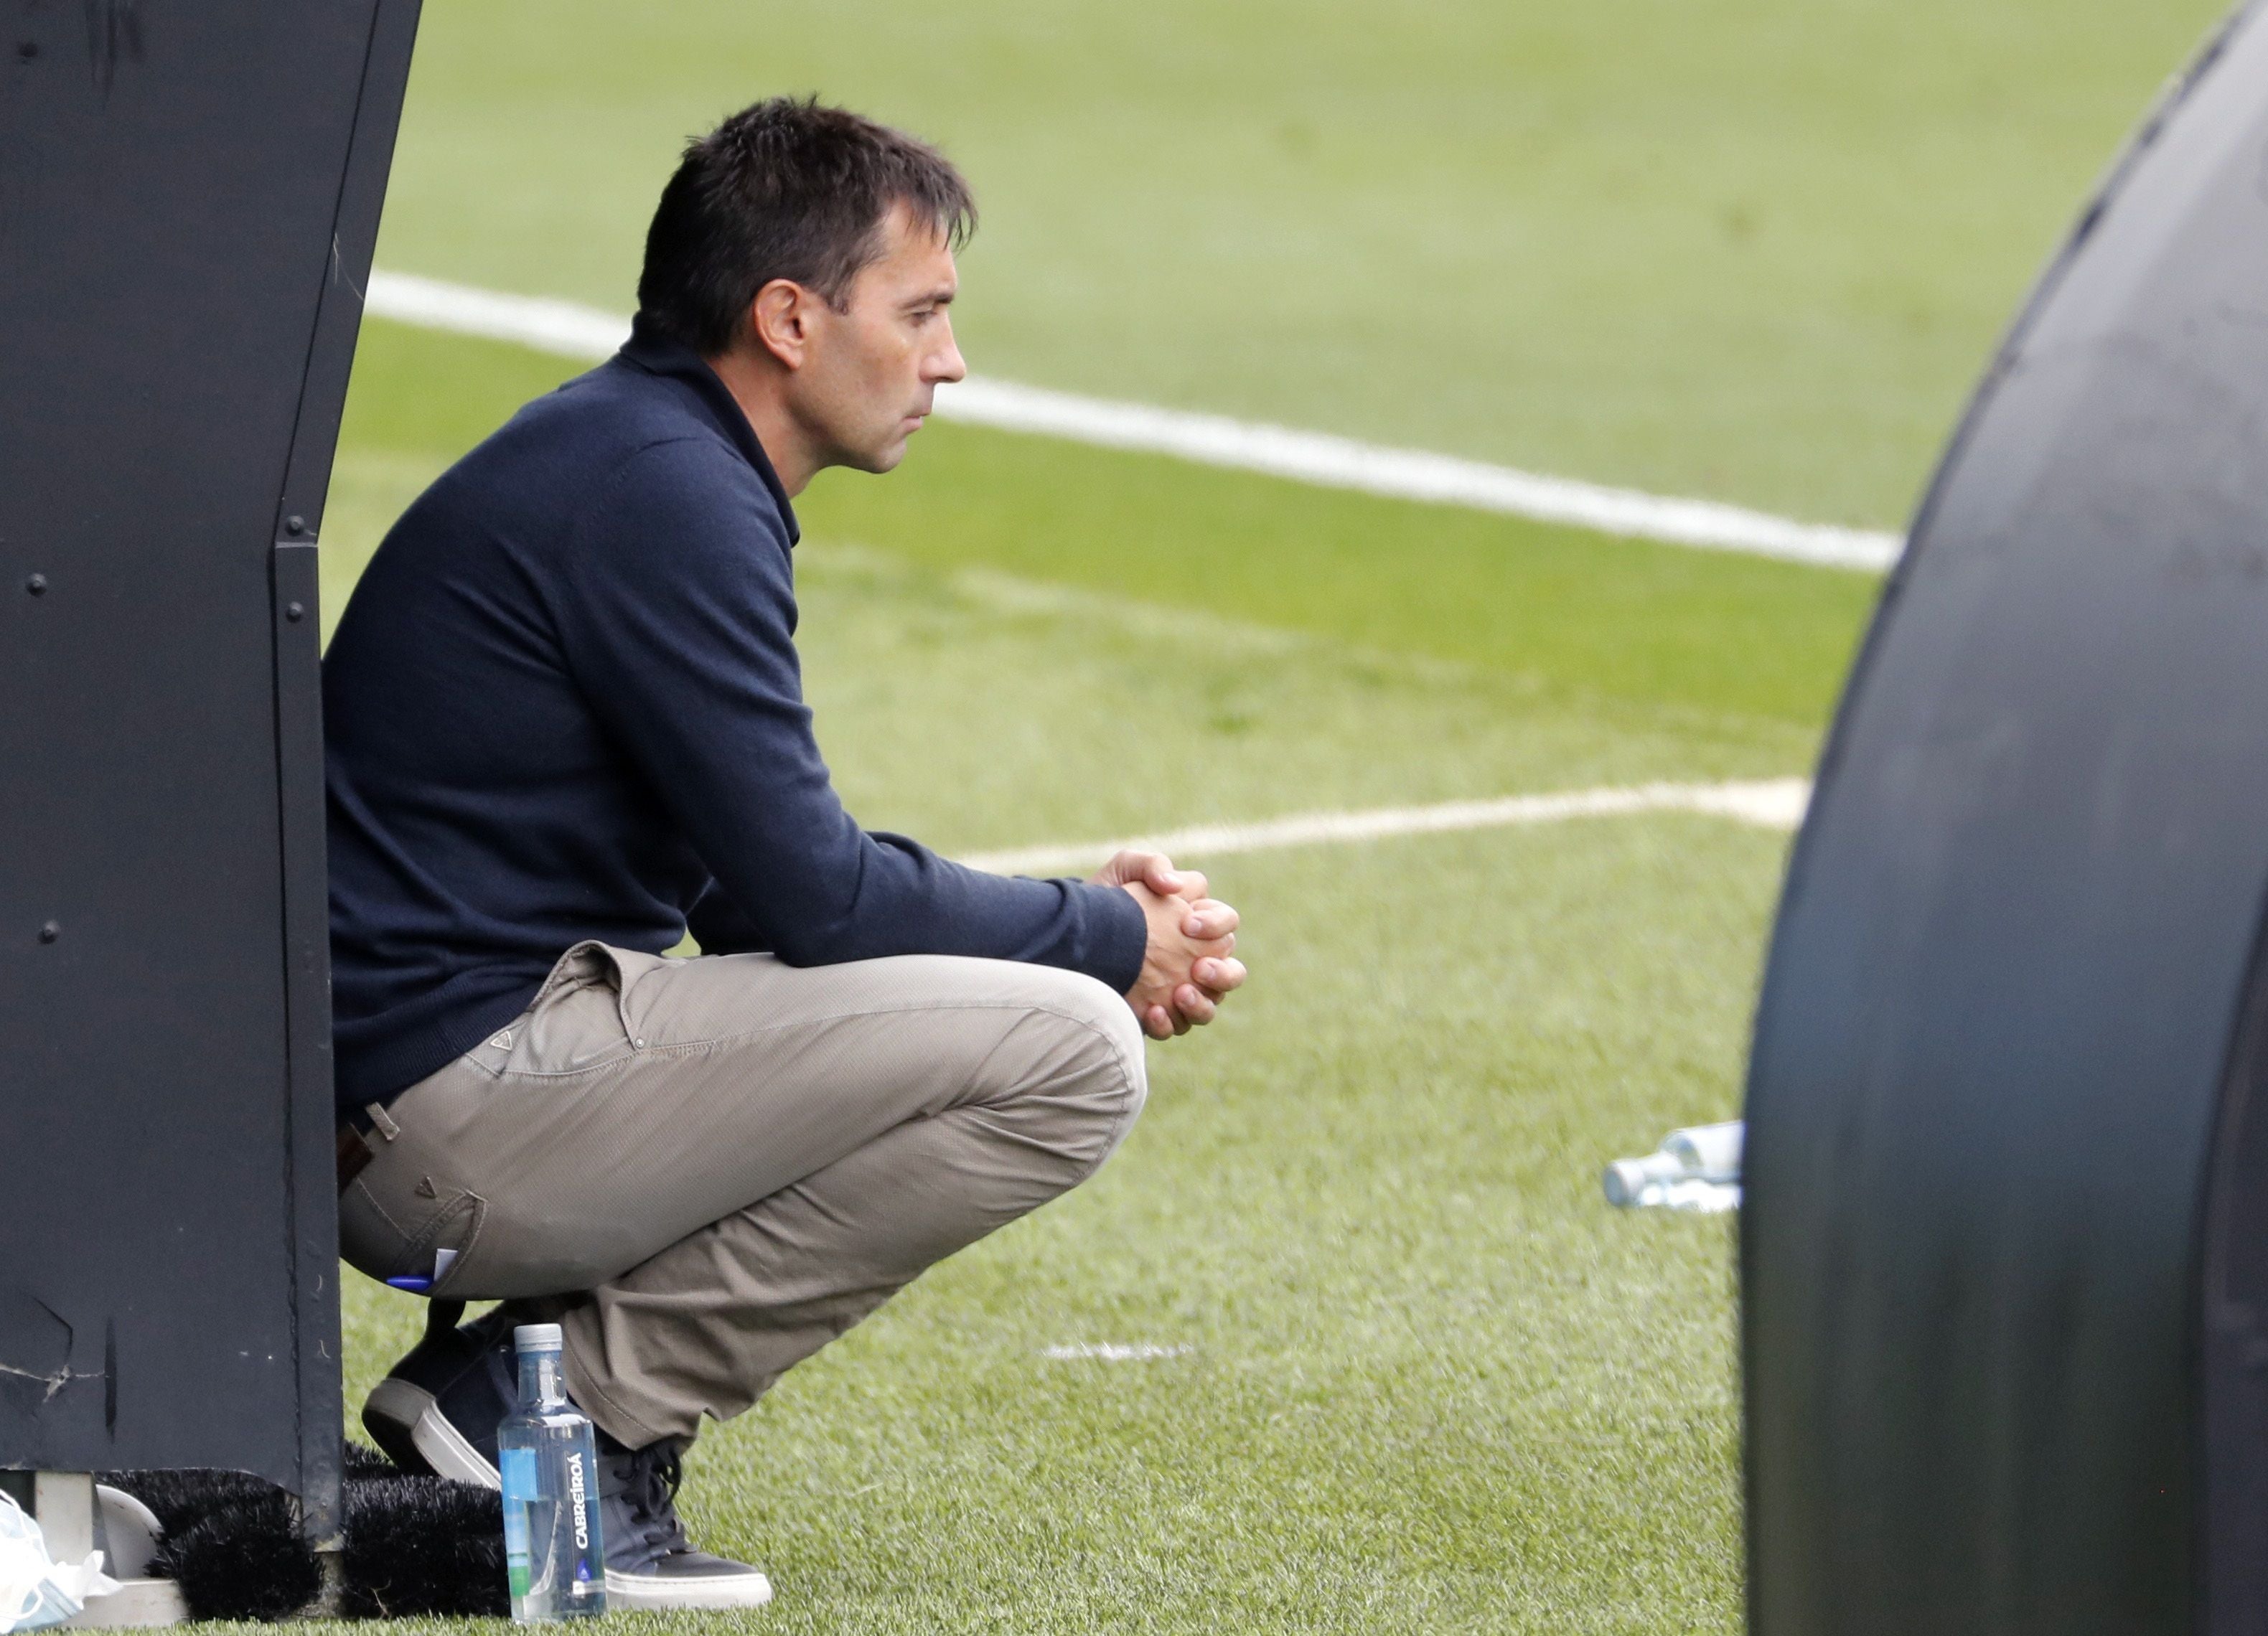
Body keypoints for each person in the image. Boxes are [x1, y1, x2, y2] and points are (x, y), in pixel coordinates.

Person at [322, 97, 1247, 1611]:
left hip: (409, 1104)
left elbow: (749, 892)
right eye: (921, 313)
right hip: (446, 1124)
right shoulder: (662, 486)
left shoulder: (635, 454)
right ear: (788, 319)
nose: (949, 361)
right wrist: (1102, 937)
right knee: (1071, 1054)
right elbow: (817, 897)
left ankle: (526, 1389)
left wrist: (1069, 928)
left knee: (1019, 1009)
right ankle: (558, 1414)